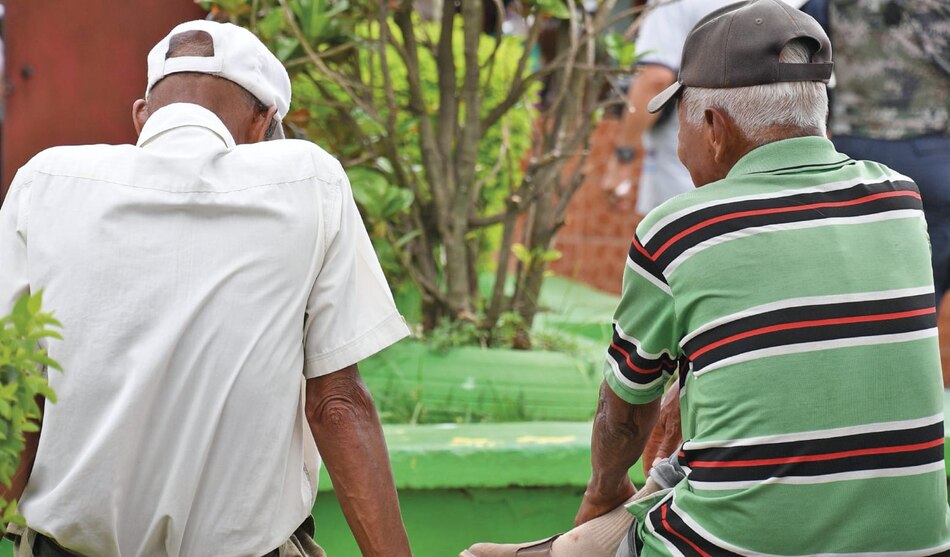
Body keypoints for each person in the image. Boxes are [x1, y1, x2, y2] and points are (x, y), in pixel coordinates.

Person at [465, 1, 950, 555]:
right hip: (914, 542)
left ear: (715, 129)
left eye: (683, 122)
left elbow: (624, 414)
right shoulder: (899, 199)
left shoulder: (679, 228)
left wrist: (603, 491)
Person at [0, 20, 412, 557]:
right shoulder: (309, 181)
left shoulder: (45, 181)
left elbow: (18, 393)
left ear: (142, 115)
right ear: (264, 124)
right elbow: (336, 403)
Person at [804, 0, 950, 308]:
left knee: (855, 271)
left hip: (854, 152)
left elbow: (796, 48)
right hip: (933, 152)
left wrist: (825, 112)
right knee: (927, 280)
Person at [603, 0, 737, 216]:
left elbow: (655, 79)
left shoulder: (670, 4)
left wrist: (623, 155)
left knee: (679, 234)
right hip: (762, 147)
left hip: (687, 155)